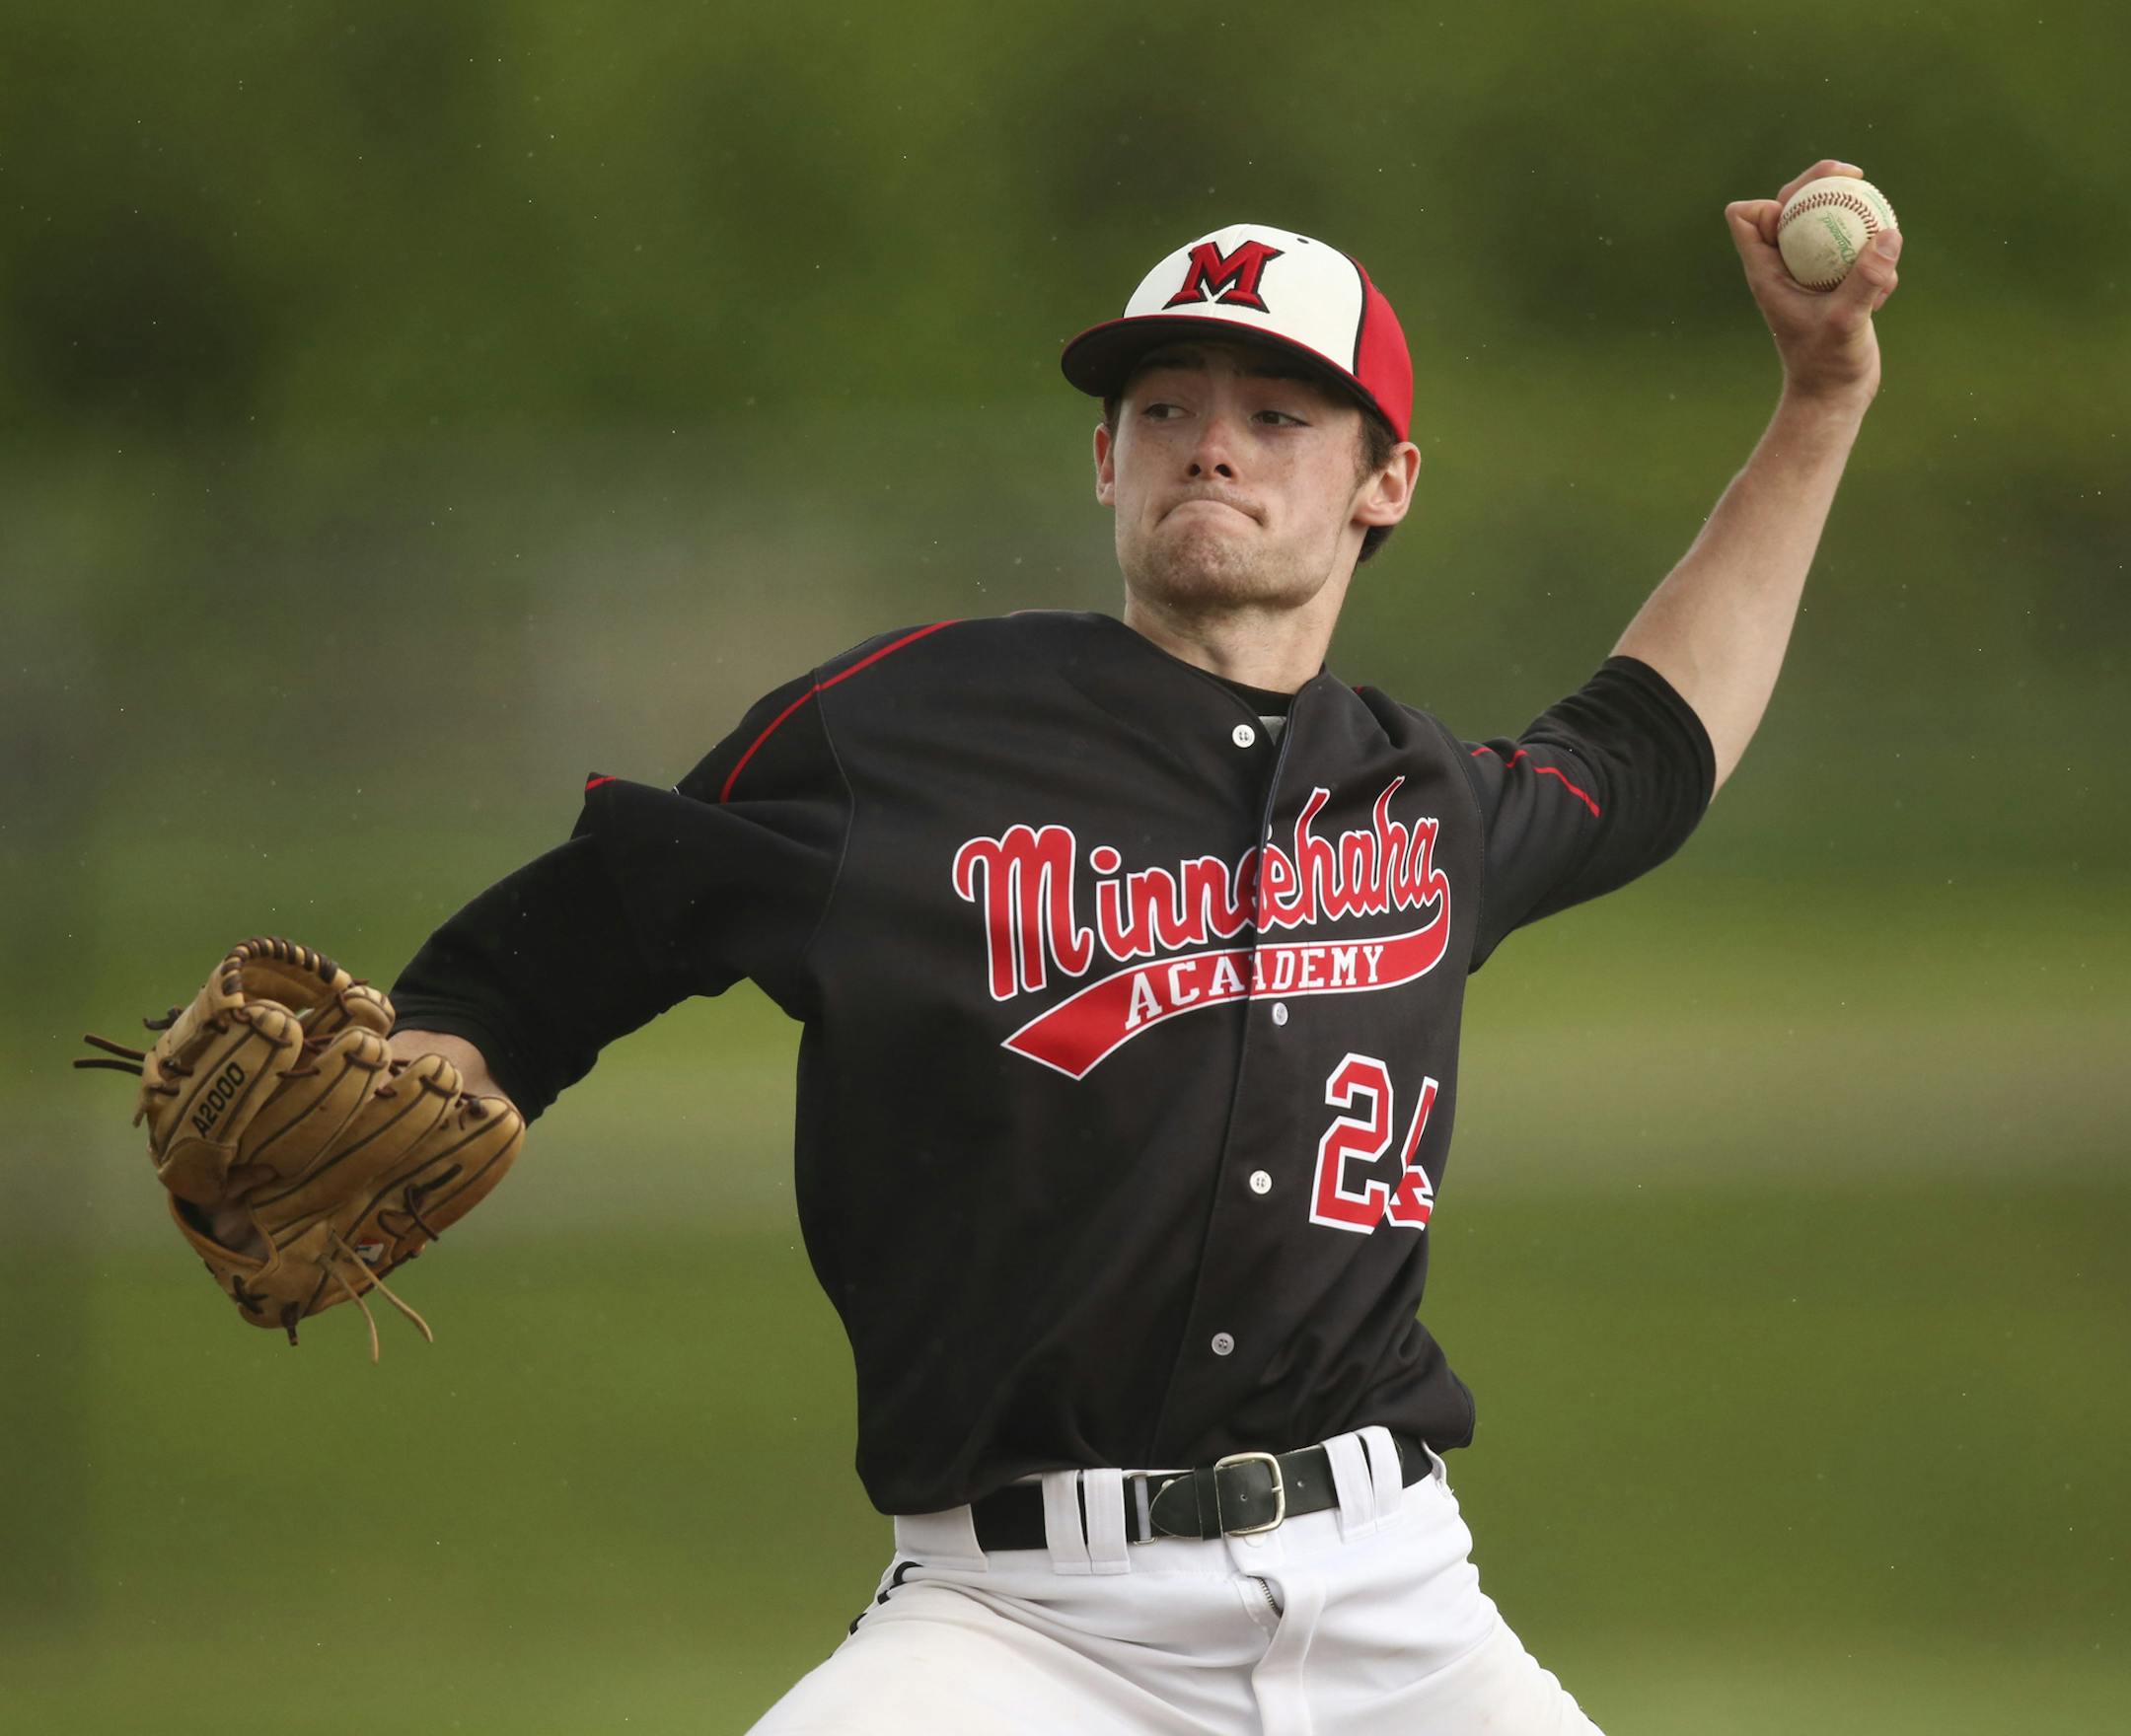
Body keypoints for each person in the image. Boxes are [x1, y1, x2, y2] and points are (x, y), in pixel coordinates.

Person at [383, 163, 1900, 1734]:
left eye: (1279, 414)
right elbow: (586, 930)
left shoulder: (1422, 803)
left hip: (1395, 1601)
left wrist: (1823, 393)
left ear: (1387, 483)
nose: (1214, 444)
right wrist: (440, 1042)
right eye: (1166, 407)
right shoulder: (902, 734)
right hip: (1025, 1623)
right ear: (1104, 459)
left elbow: (1651, 747)